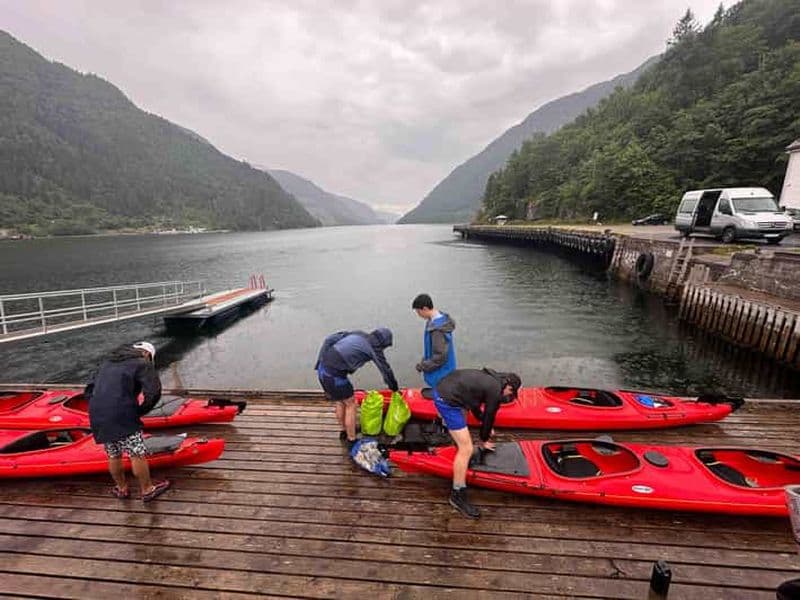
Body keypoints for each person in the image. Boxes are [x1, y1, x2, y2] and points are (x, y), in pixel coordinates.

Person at [85, 341, 172, 502]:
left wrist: (98, 407)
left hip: (99, 414)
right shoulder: (142, 363)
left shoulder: (106, 362)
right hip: (123, 413)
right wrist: (140, 410)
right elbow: (153, 392)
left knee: (113, 453)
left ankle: (122, 488)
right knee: (136, 453)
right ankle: (147, 490)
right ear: (146, 354)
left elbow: (89, 389)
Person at [434, 367, 522, 519]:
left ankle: (457, 443)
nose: (509, 397)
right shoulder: (495, 391)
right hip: (448, 401)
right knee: (466, 449)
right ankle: (457, 494)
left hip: (446, 390)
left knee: (464, 435)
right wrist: (484, 439)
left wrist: (482, 424)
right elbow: (489, 417)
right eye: (511, 393)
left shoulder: (491, 380)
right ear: (509, 387)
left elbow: (473, 402)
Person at [315, 328, 399, 449]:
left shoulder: (358, 334)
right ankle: (352, 440)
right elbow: (385, 370)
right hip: (334, 376)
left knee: (340, 401)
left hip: (323, 370)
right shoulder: (374, 348)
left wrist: (320, 361)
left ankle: (344, 431)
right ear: (382, 343)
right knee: (351, 404)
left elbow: (329, 339)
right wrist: (394, 387)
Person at [412, 293, 456, 395]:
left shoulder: (437, 330)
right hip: (445, 369)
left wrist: (422, 366)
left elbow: (440, 357)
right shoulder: (437, 319)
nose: (418, 315)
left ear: (425, 308)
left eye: (418, 312)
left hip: (443, 373)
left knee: (441, 397)